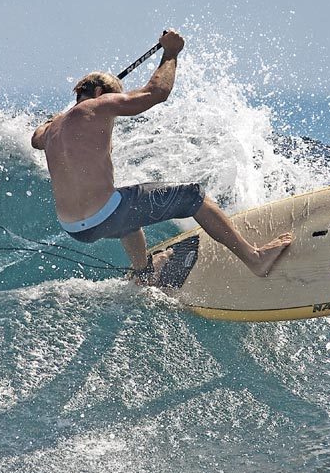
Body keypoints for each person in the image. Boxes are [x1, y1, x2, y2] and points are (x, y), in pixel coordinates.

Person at [31, 29, 292, 285]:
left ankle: (144, 273)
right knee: (193, 196)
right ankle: (255, 259)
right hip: (105, 213)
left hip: (76, 228)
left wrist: (55, 119)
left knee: (127, 214)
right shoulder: (97, 106)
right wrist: (170, 53)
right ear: (100, 94)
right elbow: (156, 93)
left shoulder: (52, 130)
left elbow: (35, 138)